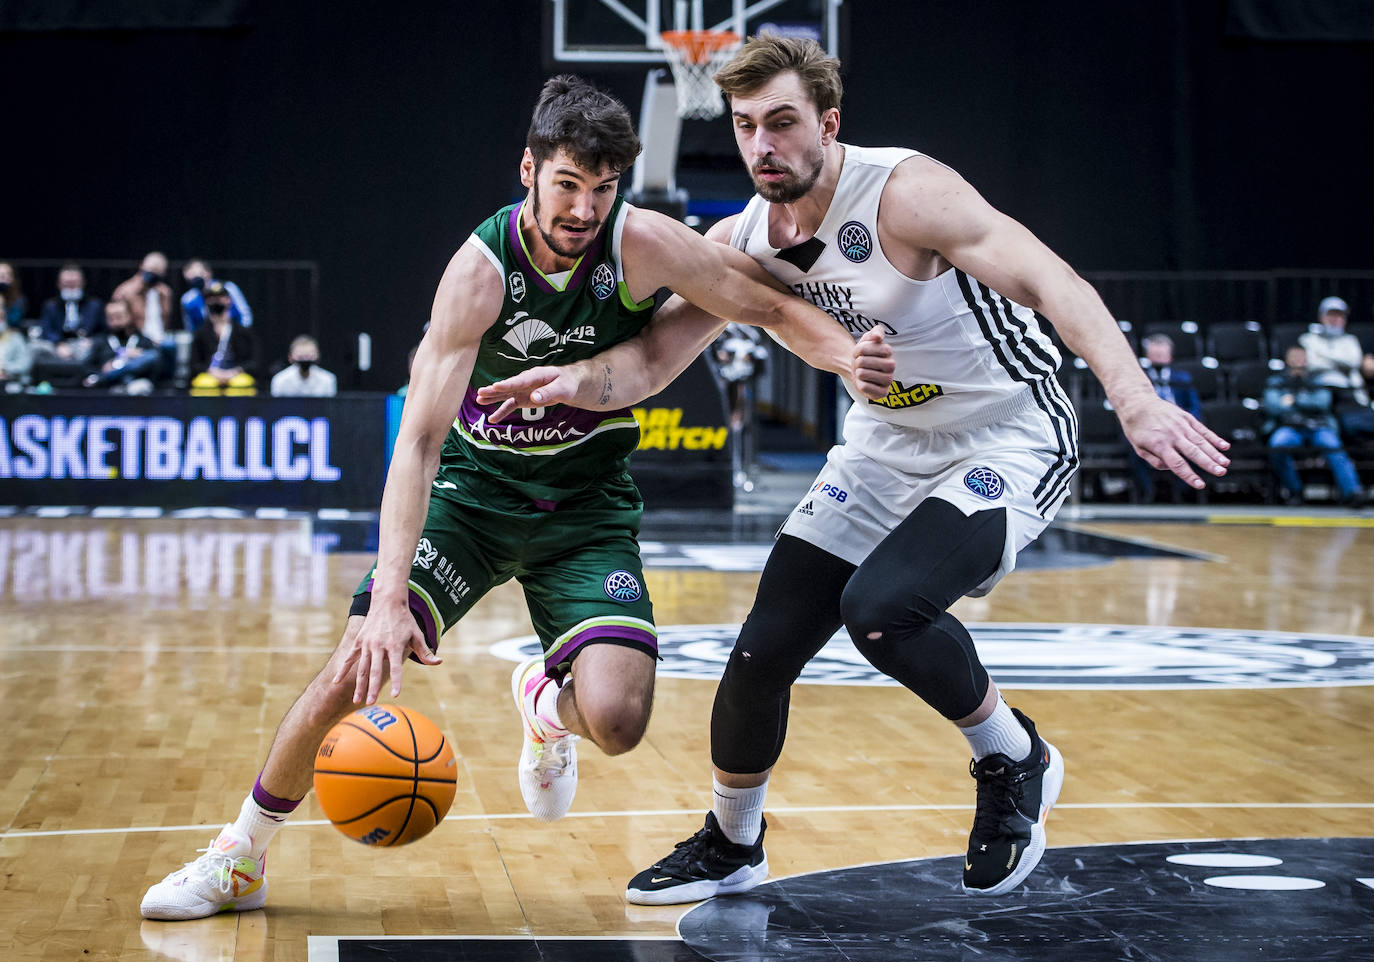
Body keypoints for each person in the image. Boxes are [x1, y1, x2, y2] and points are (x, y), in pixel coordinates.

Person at [477, 36, 1230, 903]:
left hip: (1005, 432)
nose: (763, 144)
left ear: (828, 124)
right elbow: (651, 362)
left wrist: (1131, 395)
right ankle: (733, 843)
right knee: (760, 651)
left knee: (881, 609)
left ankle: (1014, 758)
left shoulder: (907, 193)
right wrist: (573, 381)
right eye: (747, 124)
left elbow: (1051, 281)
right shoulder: (743, 239)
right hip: (882, 446)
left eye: (785, 123)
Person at [139, 74, 892, 921]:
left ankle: (545, 701)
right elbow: (418, 442)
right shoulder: (479, 273)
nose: (583, 209)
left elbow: (762, 300)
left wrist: (848, 360)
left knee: (617, 719)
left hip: (585, 507)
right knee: (353, 667)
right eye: (567, 184)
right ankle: (238, 857)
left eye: (602, 190)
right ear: (528, 171)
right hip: (473, 499)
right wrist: (387, 598)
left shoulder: (637, 242)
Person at [1263, 344, 1363, 506]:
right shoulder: (1277, 380)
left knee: (1333, 446)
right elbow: (1273, 406)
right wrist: (1306, 400)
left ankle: (1352, 492)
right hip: (1289, 427)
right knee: (1278, 445)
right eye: (1294, 358)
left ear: (1307, 360)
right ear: (1287, 360)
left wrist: (1294, 399)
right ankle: (1295, 492)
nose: (1298, 361)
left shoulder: (1317, 379)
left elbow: (1322, 403)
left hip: (1318, 427)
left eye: (1301, 358)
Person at [1130, 333, 1204, 502]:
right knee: (1133, 446)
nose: (1158, 361)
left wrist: (1187, 425)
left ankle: (1182, 494)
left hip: (1177, 427)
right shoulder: (1138, 378)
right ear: (1147, 357)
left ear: (1170, 357)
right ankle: (1147, 493)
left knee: (1193, 443)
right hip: (1146, 428)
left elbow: (1194, 407)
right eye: (1155, 356)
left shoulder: (1183, 379)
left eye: (1161, 356)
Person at [1299, 296, 1374, 445]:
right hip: (1319, 395)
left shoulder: (1351, 340)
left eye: (1340, 315)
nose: (1335, 319)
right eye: (1331, 314)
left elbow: (1353, 361)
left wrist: (1322, 354)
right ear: (1321, 317)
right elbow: (1312, 364)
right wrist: (1340, 361)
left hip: (1350, 396)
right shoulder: (1308, 339)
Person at [188, 282, 259, 395]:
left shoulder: (242, 331)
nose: (216, 300)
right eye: (211, 298)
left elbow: (254, 362)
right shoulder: (200, 333)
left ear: (228, 300)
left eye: (220, 297)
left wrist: (236, 371)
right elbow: (194, 364)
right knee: (205, 385)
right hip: (210, 374)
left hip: (236, 374)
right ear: (206, 302)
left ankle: (238, 413)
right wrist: (211, 371)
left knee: (241, 384)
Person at [83, 297, 163, 391]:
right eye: (111, 318)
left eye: (119, 316)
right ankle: (110, 375)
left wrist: (138, 356)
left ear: (130, 316)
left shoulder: (143, 341)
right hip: (108, 387)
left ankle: (111, 374)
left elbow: (157, 369)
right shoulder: (101, 341)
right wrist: (105, 367)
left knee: (150, 357)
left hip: (135, 385)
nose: (115, 321)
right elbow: (87, 367)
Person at [110, 251, 174, 341]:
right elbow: (116, 322)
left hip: (161, 340)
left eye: (158, 272)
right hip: (136, 343)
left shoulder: (165, 292)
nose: (154, 275)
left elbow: (166, 320)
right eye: (152, 270)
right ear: (142, 266)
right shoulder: (124, 292)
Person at [38, 262, 103, 345]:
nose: (71, 288)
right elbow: (46, 331)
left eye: (74, 284)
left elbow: (103, 331)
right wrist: (59, 344)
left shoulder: (95, 305)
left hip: (87, 346)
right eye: (67, 284)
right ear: (59, 284)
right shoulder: (50, 306)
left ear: (82, 283)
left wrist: (92, 341)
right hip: (58, 346)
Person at [180, 258, 253, 331]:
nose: (195, 279)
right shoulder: (187, 300)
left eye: (198, 274)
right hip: (207, 339)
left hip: (234, 335)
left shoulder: (228, 288)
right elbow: (190, 328)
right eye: (191, 277)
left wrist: (241, 334)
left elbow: (245, 315)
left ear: (208, 272)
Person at [269, 334, 338, 396]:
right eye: (301, 357)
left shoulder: (328, 380)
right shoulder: (280, 380)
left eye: (309, 356)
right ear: (290, 357)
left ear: (317, 356)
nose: (305, 360)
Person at [0, 295, 33, 391]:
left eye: (1, 317)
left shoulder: (16, 338)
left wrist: (5, 369)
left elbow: (25, 364)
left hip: (10, 384)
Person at [0, 262, 27, 328]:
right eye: (2, 276)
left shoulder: (19, 300)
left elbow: (14, 321)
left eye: (9, 275)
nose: (6, 278)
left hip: (10, 333)